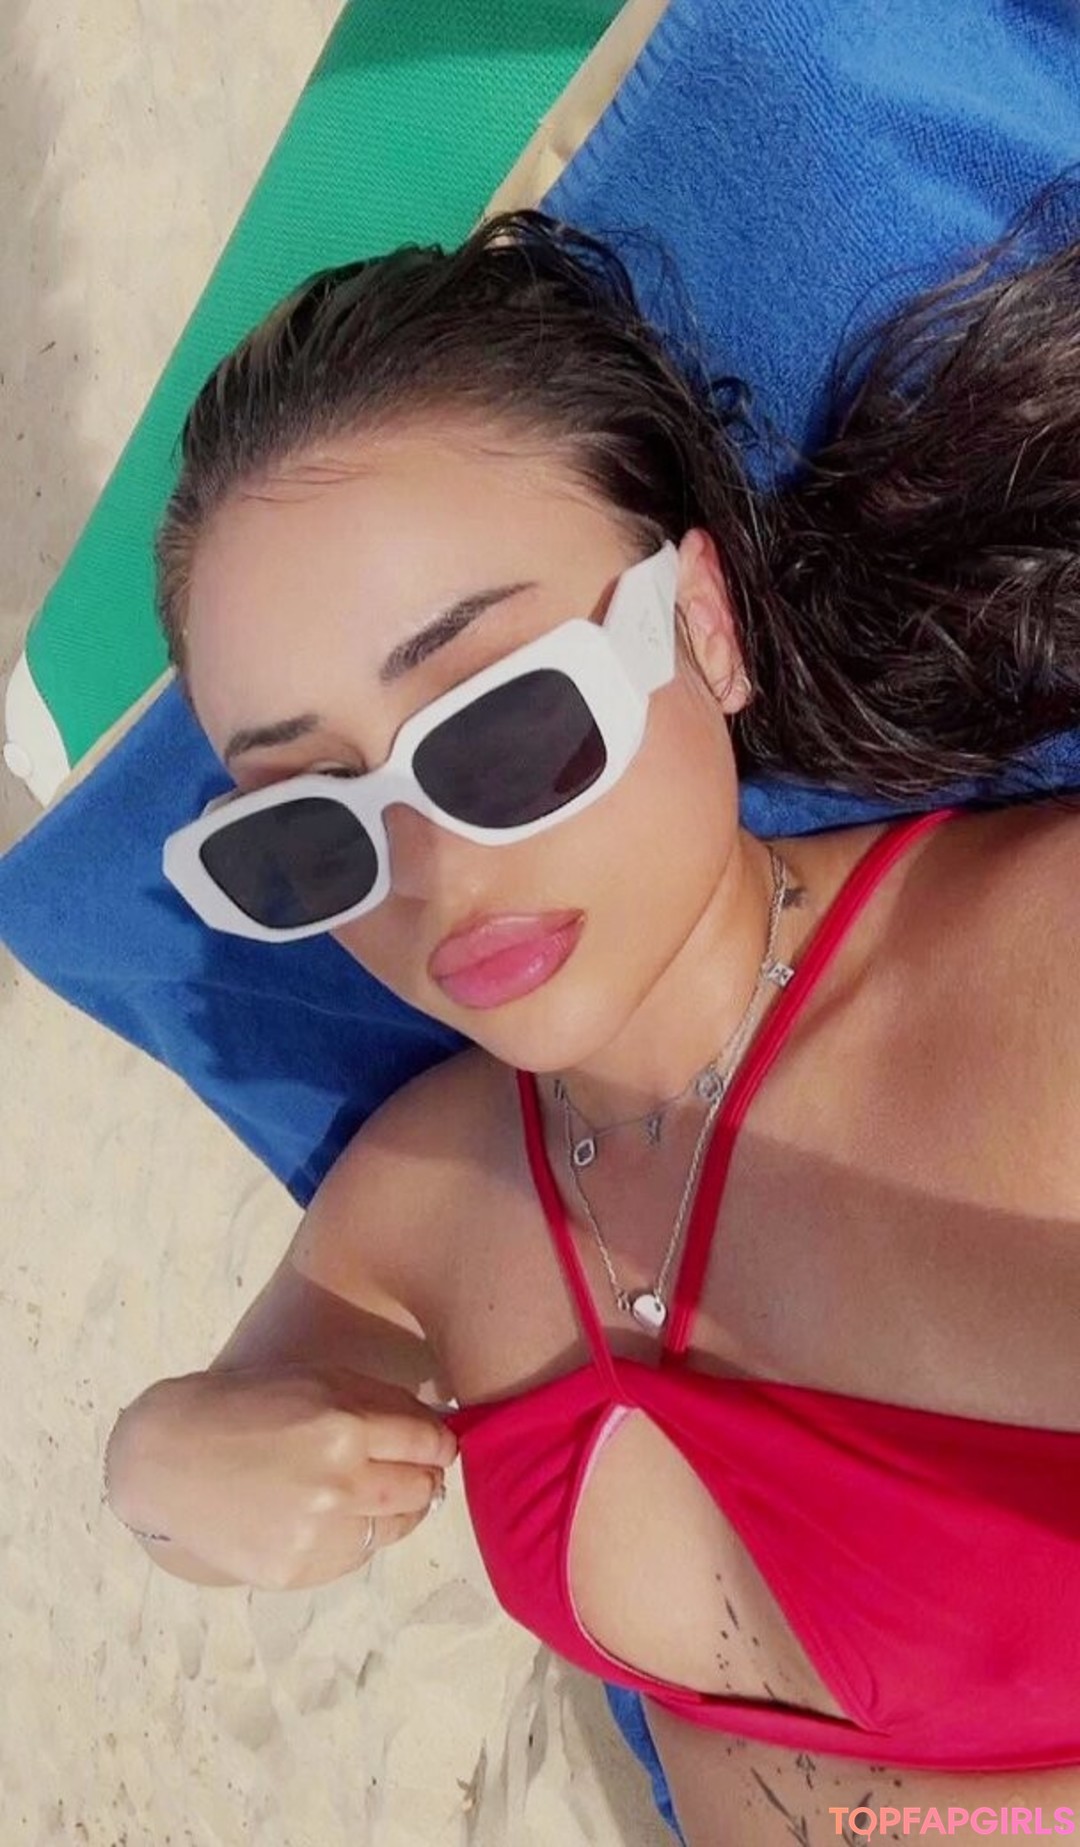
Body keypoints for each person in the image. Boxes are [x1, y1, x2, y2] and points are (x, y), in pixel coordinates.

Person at [103, 211, 1080, 1845]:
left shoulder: (1042, 991)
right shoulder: (425, 1194)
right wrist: (154, 1463)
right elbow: (229, 1459)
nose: (433, 867)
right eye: (307, 832)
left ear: (702, 622)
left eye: (506, 724)